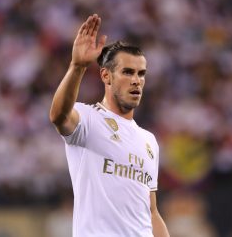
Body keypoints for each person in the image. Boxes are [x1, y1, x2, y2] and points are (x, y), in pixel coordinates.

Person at [49, 14, 170, 237]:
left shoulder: (148, 140)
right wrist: (77, 67)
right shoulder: (88, 119)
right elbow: (59, 116)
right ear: (106, 76)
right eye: (127, 72)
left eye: (141, 74)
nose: (136, 80)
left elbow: (152, 212)